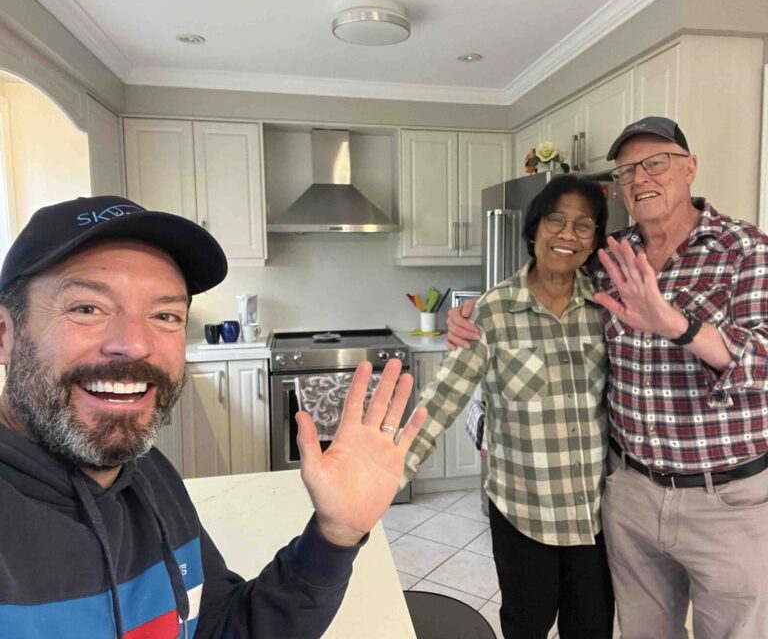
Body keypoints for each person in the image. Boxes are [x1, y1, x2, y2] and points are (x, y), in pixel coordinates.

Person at [0, 195, 426, 639]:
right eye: (87, 308)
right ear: (4, 335)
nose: (134, 344)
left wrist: (334, 535)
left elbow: (224, 628)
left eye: (165, 315)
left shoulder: (150, 478)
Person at [447, 116, 768, 639]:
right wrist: (469, 314)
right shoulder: (609, 257)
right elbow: (538, 294)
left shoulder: (746, 250)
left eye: (655, 163)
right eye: (627, 171)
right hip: (629, 493)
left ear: (690, 168)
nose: (641, 178)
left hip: (724, 500)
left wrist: (678, 326)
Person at [404, 176, 615, 639]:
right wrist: (385, 476)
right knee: (526, 626)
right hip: (525, 513)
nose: (568, 235)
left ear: (596, 239)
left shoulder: (607, 307)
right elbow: (443, 398)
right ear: (534, 229)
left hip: (595, 518)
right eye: (556, 220)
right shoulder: (493, 311)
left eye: (584, 225)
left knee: (593, 629)